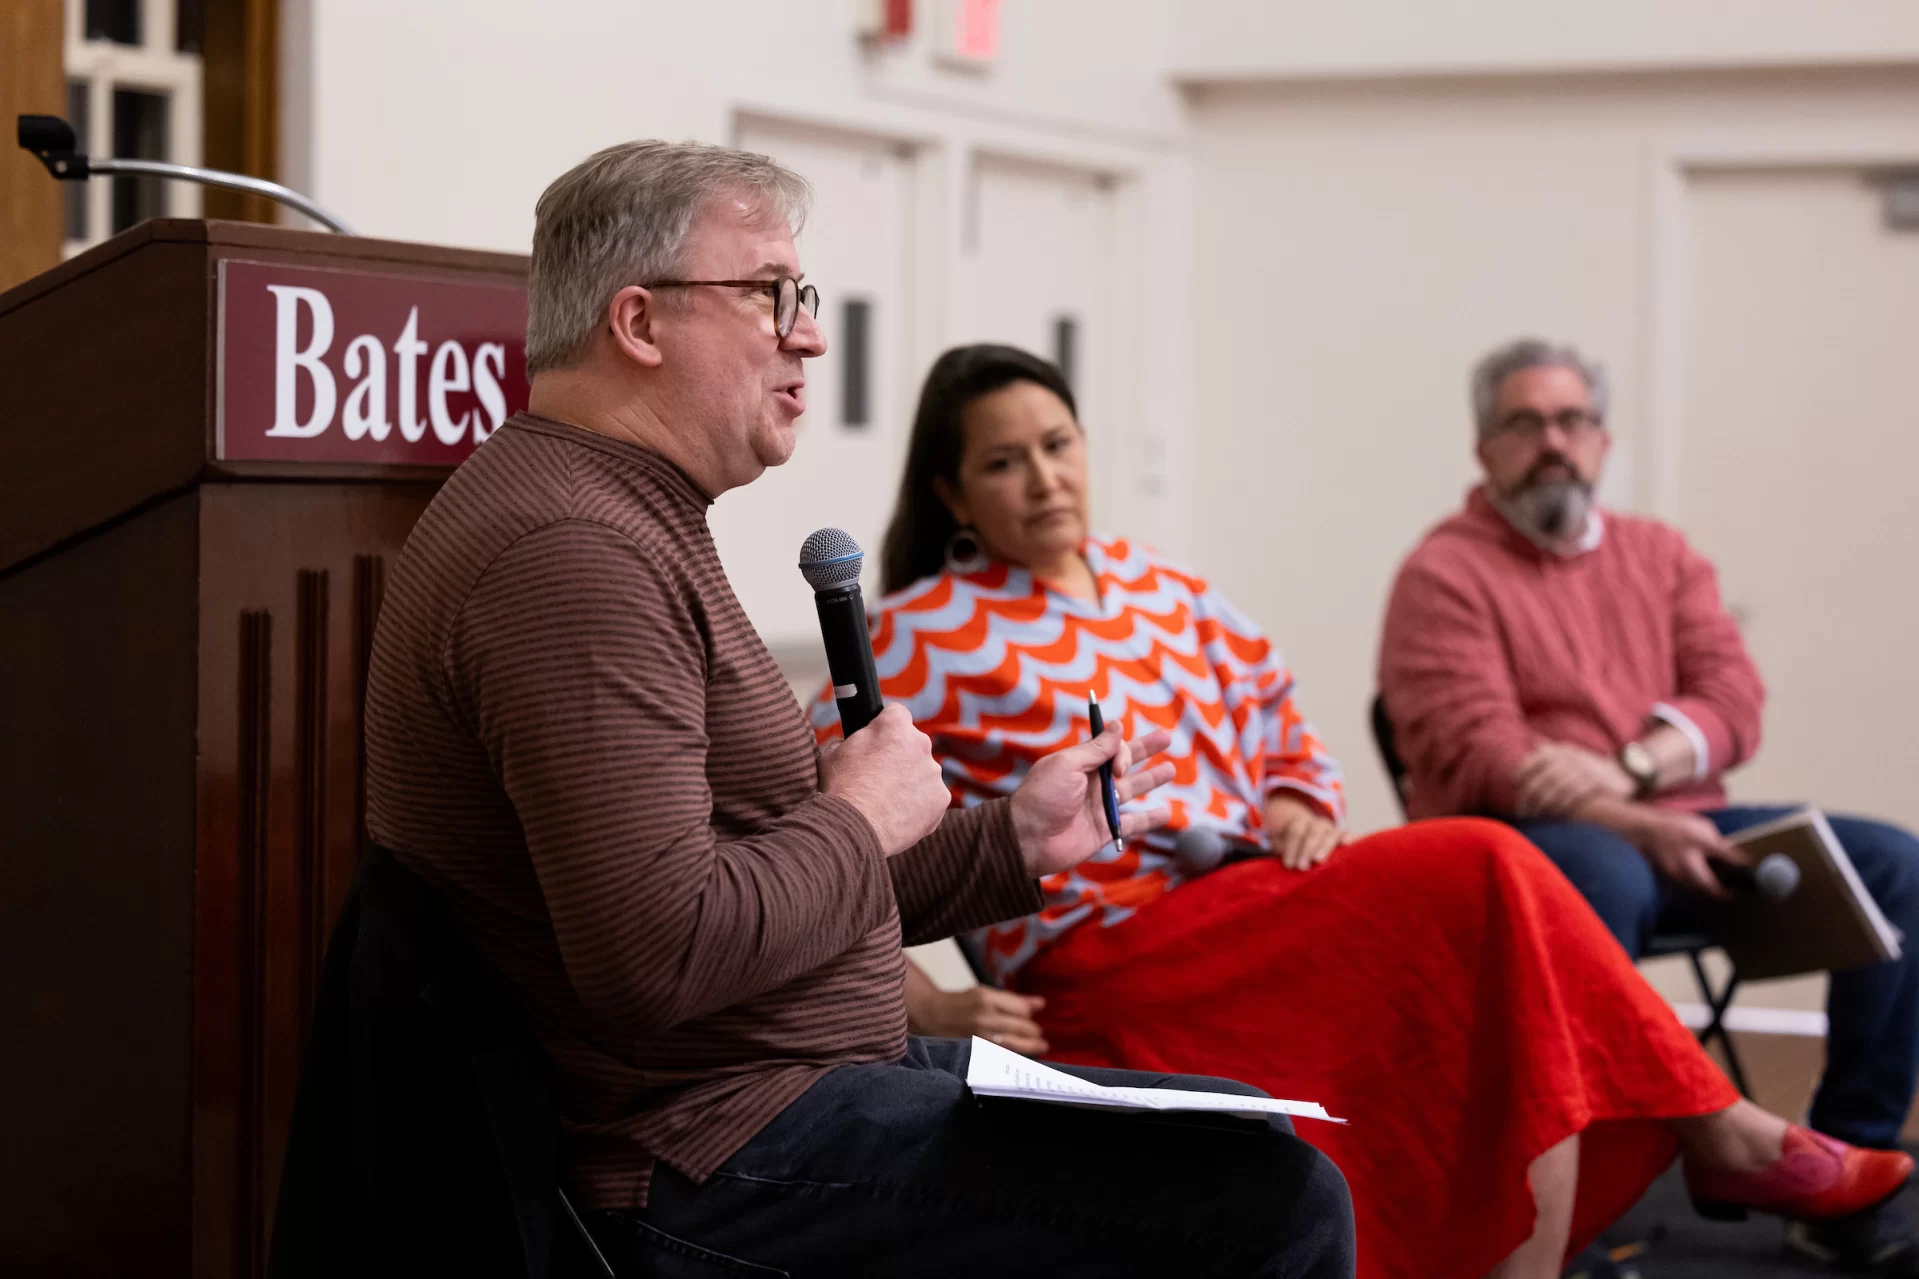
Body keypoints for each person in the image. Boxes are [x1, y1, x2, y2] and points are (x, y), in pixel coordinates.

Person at [361, 141, 1357, 1278]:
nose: (810, 334)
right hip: (710, 1152)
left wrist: (1011, 840)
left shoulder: (623, 515)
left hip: (794, 1093)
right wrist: (858, 814)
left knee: (1247, 1129)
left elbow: (786, 883)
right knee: (1267, 1197)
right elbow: (658, 952)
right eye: (770, 295)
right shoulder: (569, 555)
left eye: (806, 298)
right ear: (637, 324)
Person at [814, 342, 1912, 1279]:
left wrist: (1298, 797)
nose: (1044, 479)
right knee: (1484, 864)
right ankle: (1720, 1126)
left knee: (1493, 916)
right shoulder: (916, 633)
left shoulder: (1164, 587)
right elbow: (826, 832)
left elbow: (1280, 719)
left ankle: (1687, 1150)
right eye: (1003, 463)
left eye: (1058, 445)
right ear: (953, 494)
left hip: (1263, 897)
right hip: (1113, 946)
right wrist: (929, 1007)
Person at [1377, 336, 1919, 1273]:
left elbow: (1732, 697)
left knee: (1894, 865)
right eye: (1524, 423)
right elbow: (1485, 753)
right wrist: (1637, 814)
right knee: (1601, 875)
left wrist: (1630, 770)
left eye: (1570, 420)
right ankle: (1576, 1193)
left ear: (1602, 439)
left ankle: (1834, 1169)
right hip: (1516, 847)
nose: (1552, 441)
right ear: (1483, 449)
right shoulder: (1443, 573)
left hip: (1679, 822)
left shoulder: (1659, 554)